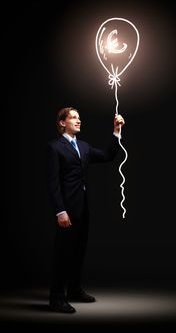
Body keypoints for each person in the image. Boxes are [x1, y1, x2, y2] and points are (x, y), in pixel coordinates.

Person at [46, 107, 125, 313]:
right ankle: (56, 298)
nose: (79, 121)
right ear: (62, 122)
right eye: (73, 118)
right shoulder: (55, 147)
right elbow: (52, 183)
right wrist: (60, 211)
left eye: (79, 118)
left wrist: (116, 131)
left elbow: (108, 155)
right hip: (67, 210)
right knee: (62, 254)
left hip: (83, 208)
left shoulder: (84, 146)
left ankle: (73, 290)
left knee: (78, 251)